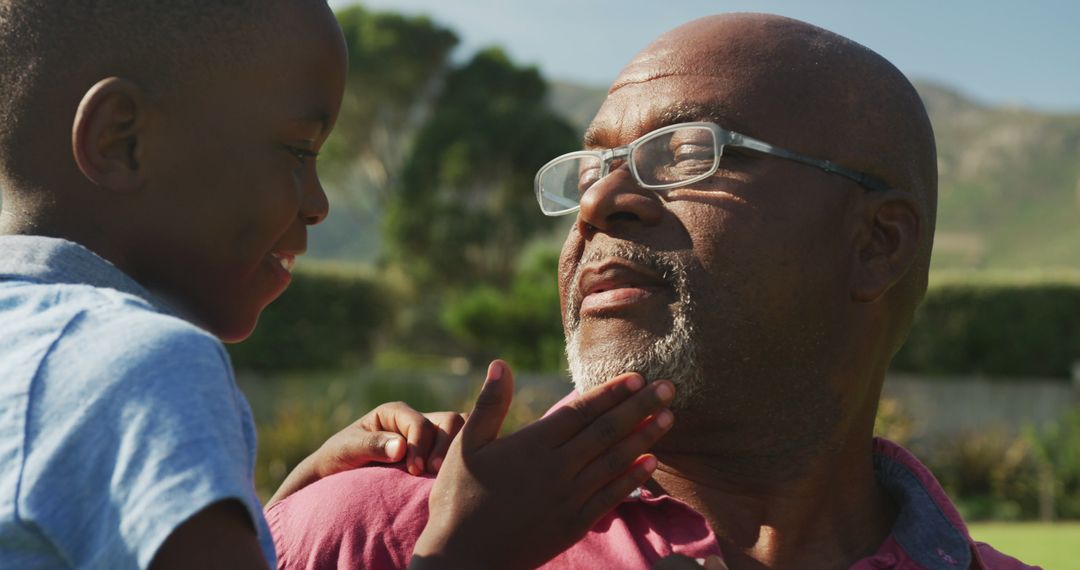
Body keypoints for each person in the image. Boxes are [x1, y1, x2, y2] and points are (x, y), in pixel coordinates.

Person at [268, 13, 1037, 569]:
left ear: (878, 243)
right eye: (593, 169)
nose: (600, 203)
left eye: (686, 153)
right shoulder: (373, 532)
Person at [0, 1, 672, 568]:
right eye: (298, 150)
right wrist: (465, 550)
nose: (319, 202)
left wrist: (269, 514)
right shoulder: (141, 367)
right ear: (124, 141)